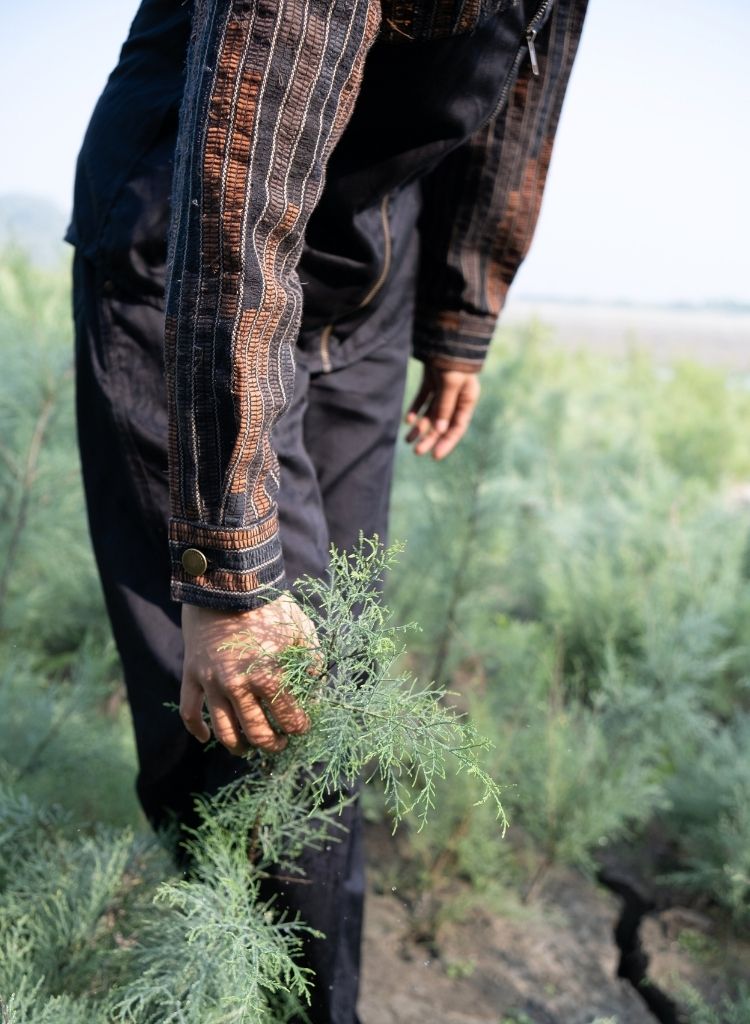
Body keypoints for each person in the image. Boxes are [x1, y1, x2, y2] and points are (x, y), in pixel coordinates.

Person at [67, 0, 587, 1019]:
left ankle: (315, 1004)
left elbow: (532, 74)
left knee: (334, 693)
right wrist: (229, 568)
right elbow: (246, 175)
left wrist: (460, 308)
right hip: (196, 259)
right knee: (255, 723)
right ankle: (233, 989)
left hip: (362, 271)